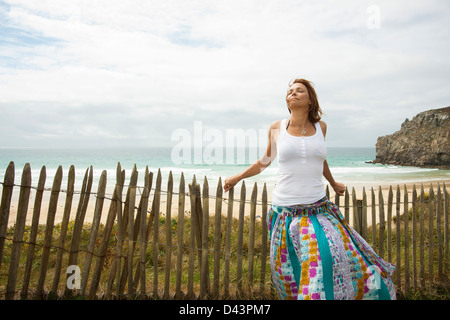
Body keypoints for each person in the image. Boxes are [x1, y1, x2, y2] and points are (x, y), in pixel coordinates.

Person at [224, 78, 396, 300]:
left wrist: (332, 183)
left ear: (310, 101)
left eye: (299, 91)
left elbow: (320, 160)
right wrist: (237, 177)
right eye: (290, 92)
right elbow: (264, 161)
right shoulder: (277, 128)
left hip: (318, 210)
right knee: (291, 275)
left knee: (324, 259)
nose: (292, 94)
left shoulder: (320, 127)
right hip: (284, 213)